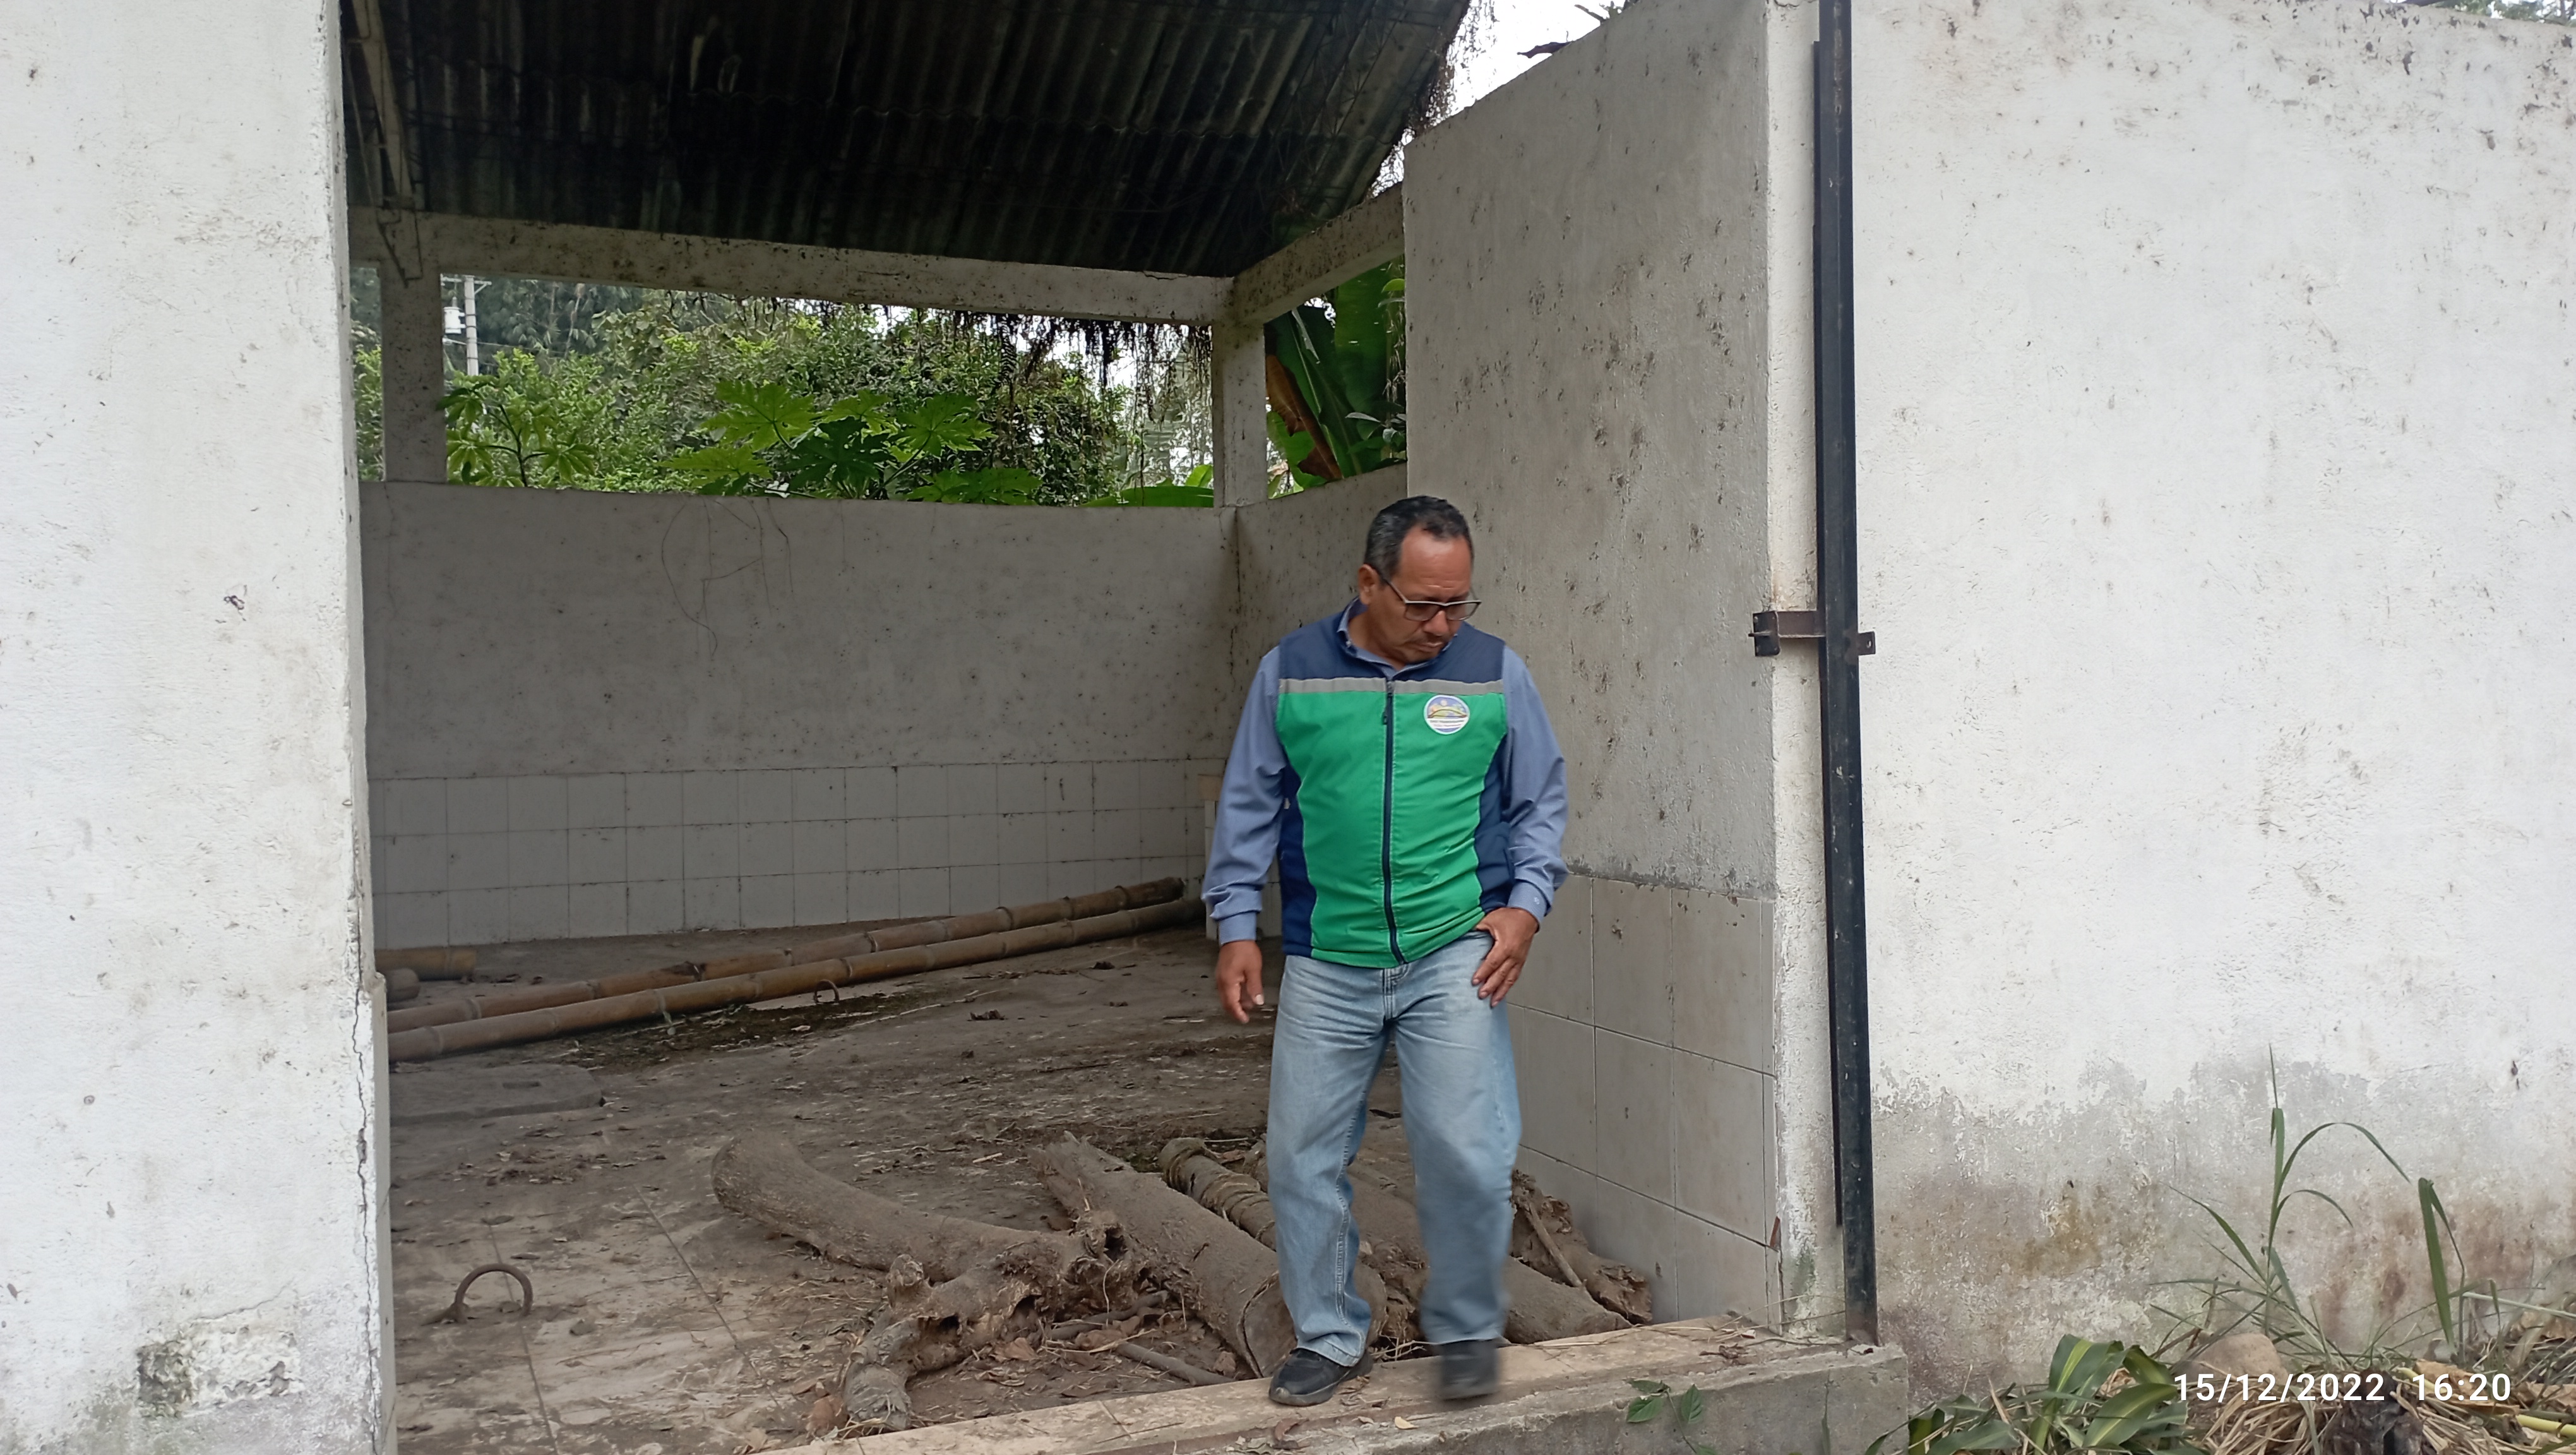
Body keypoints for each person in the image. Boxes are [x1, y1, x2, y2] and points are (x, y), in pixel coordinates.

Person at [1203, 495, 1568, 1406]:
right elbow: (1249, 802)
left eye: (1458, 604)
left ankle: (1468, 1329)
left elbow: (1539, 802)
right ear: (1369, 584)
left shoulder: (1494, 673)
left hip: (1455, 950)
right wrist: (1237, 925)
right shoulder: (1292, 672)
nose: (1443, 625)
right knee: (1301, 1157)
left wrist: (1526, 908)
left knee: (1469, 1152)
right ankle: (1329, 1337)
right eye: (1423, 604)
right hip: (1330, 957)